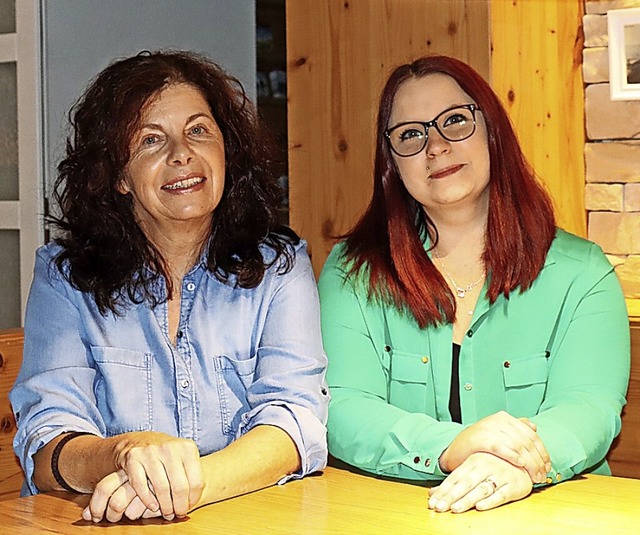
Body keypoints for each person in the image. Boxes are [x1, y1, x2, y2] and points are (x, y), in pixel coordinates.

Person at [10, 50, 329, 523]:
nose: (182, 154)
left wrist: (180, 487)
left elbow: (293, 419)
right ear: (118, 175)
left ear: (226, 151)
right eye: (151, 140)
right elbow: (47, 440)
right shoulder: (64, 276)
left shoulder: (279, 267)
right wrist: (121, 453)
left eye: (199, 131)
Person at [318, 55, 630, 514]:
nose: (435, 146)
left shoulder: (581, 273)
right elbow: (341, 407)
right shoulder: (352, 271)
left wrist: (518, 466)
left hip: (552, 513)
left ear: (493, 132)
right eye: (410, 134)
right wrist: (455, 445)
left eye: (455, 121)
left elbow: (590, 407)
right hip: (391, 514)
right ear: (392, 164)